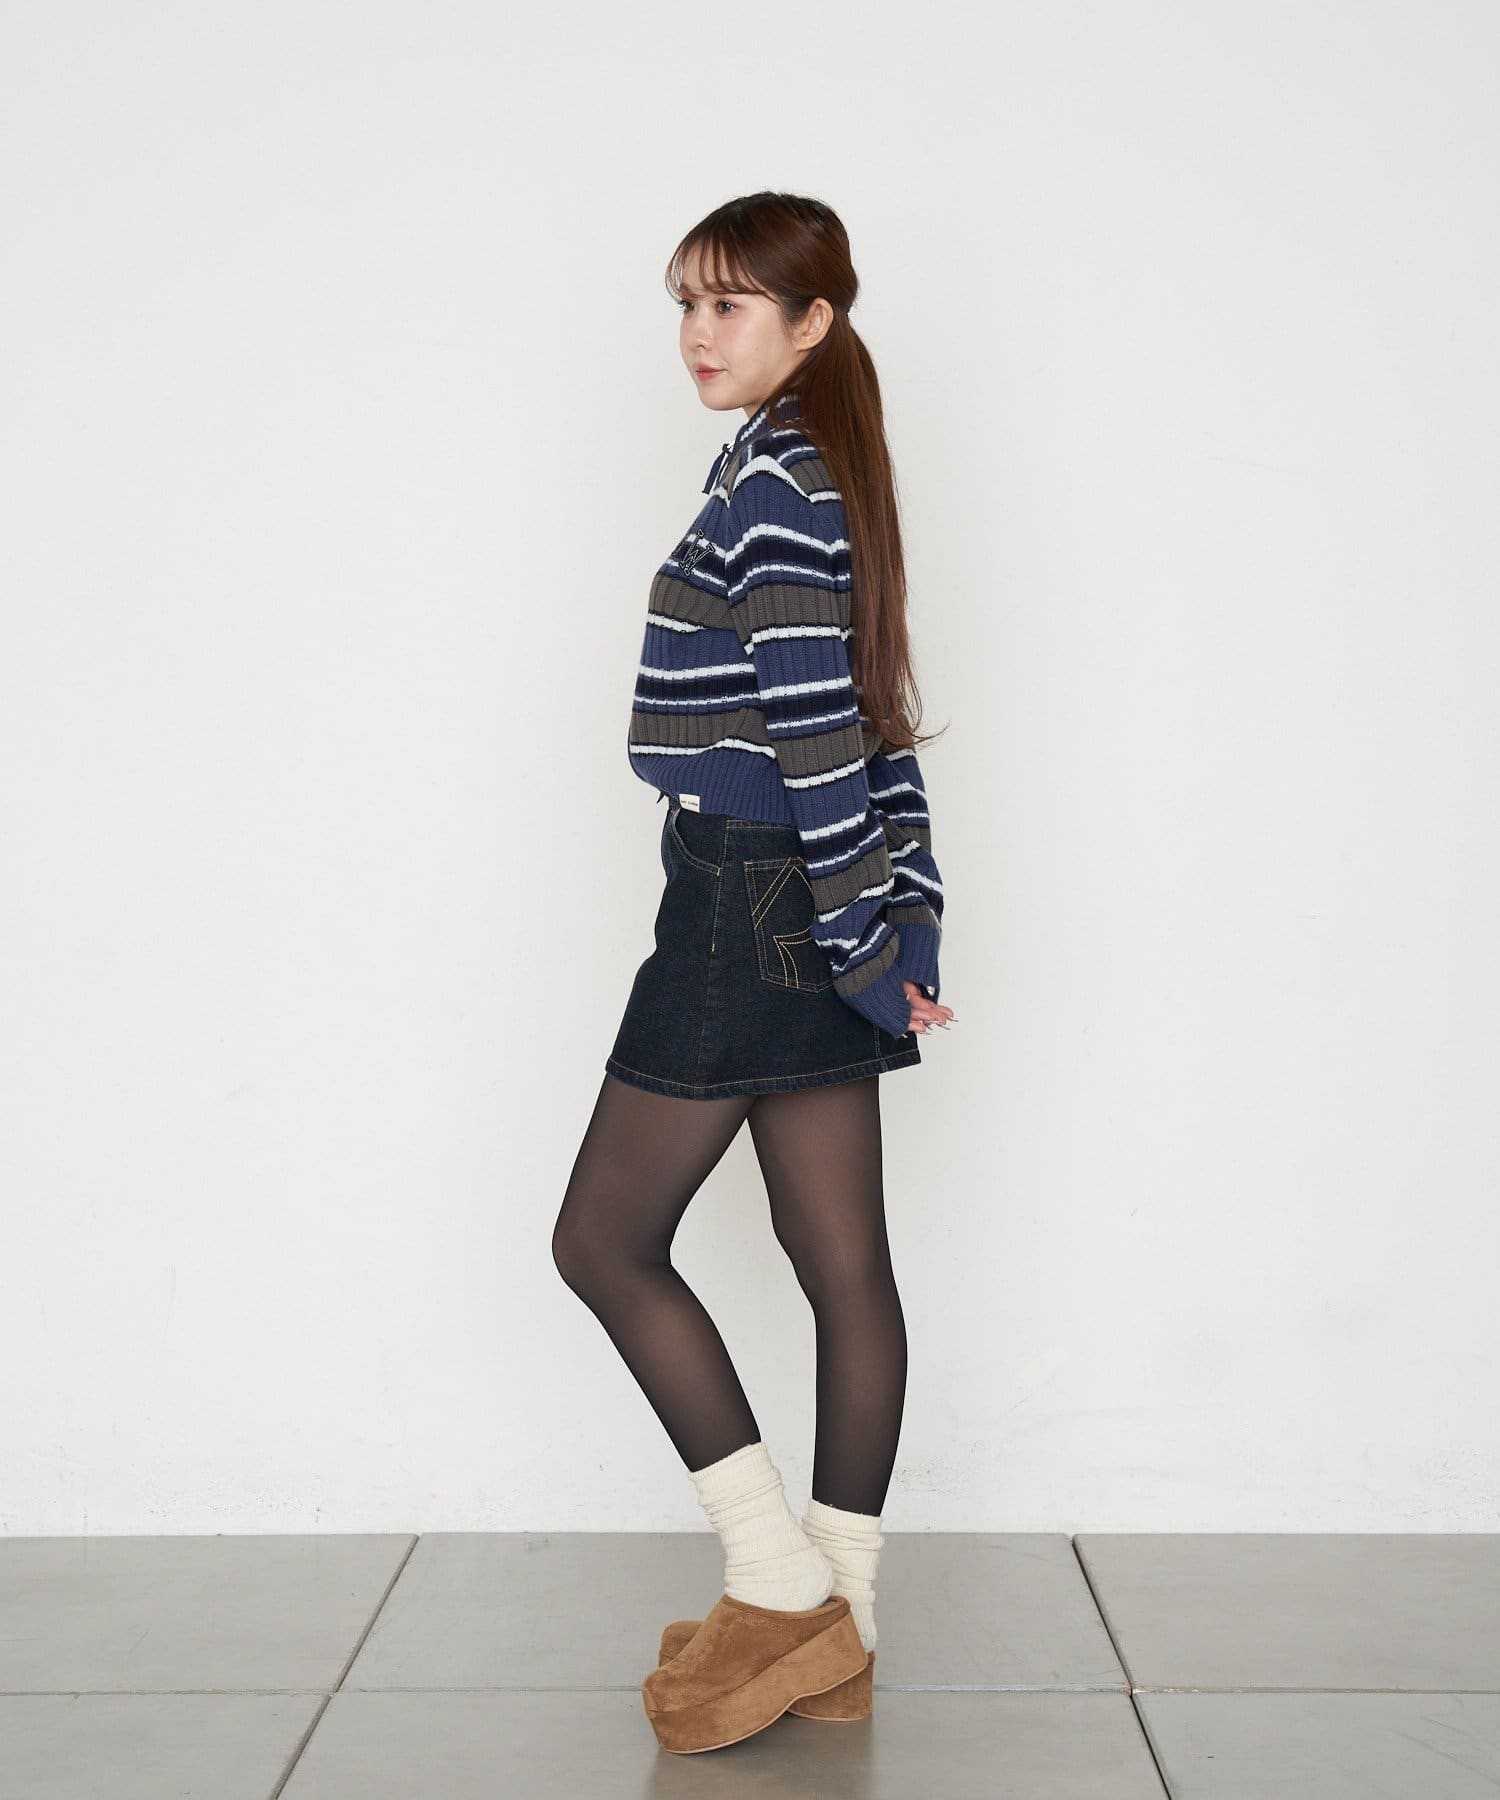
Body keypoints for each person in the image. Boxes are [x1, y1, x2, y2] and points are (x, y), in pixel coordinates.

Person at [551, 190, 956, 1756]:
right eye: (686, 304)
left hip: (746, 897)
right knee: (839, 1259)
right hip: (807, 896)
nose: (696, 335)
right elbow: (874, 715)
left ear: (812, 321)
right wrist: (900, 925)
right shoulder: (810, 468)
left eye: (728, 305)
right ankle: (842, 1626)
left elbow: (816, 739)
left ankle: (777, 1580)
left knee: (602, 1240)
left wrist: (860, 936)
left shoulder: (782, 480)